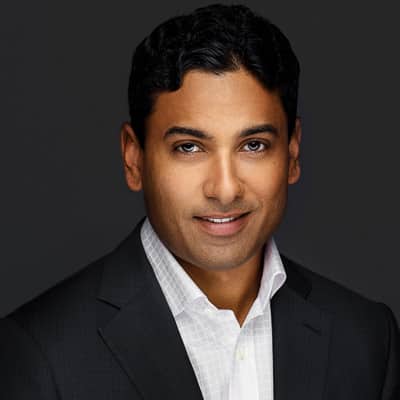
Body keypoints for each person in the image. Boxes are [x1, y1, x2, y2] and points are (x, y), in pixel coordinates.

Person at [1, 3, 399, 399]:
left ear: (292, 153)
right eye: (189, 147)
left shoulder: (366, 338)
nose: (225, 190)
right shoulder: (41, 355)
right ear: (133, 158)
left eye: (254, 145)